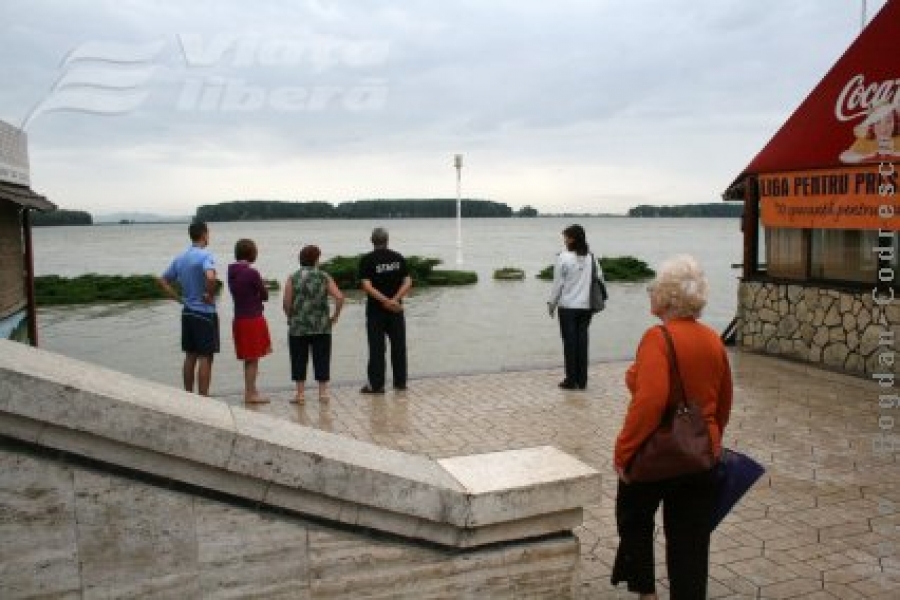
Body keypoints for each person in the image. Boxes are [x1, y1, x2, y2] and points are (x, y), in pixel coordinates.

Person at [610, 255, 733, 600]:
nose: (650, 294)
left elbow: (650, 403)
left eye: (654, 289)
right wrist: (712, 440)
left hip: (657, 454)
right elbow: (724, 400)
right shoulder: (712, 339)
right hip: (701, 456)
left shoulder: (657, 338)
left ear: (666, 298)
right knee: (691, 540)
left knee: (633, 517)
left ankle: (646, 592)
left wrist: (624, 451)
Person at [157, 221, 219, 396]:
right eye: (208, 234)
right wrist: (208, 293)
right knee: (205, 357)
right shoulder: (206, 256)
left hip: (187, 312)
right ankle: (204, 397)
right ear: (204, 234)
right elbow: (211, 276)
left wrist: (178, 299)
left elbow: (162, 281)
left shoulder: (181, 257)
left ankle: (188, 395)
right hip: (205, 313)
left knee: (190, 355)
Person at [283, 245, 344, 403]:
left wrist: (290, 317)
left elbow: (286, 302)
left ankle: (300, 394)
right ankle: (323, 393)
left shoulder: (293, 277)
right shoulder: (324, 276)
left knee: (298, 359)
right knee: (322, 358)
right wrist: (334, 316)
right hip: (322, 326)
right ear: (316, 259)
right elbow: (339, 297)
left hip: (298, 327)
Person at [358, 227, 412, 394]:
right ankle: (400, 382)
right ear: (387, 240)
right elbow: (408, 282)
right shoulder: (398, 257)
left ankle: (376, 385)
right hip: (396, 310)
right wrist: (394, 301)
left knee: (376, 348)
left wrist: (385, 301)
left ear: (372, 240)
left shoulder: (367, 260)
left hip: (376, 311)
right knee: (399, 346)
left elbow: (367, 286)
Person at [547, 224, 597, 390]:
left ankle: (571, 380)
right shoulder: (591, 257)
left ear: (573, 239)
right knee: (582, 343)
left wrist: (551, 304)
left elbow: (558, 284)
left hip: (568, 307)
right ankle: (582, 381)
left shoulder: (563, 257)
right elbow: (600, 279)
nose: (564, 240)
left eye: (566, 237)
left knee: (569, 343)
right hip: (586, 307)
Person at [227, 238, 272, 405]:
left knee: (248, 358)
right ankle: (250, 394)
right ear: (251, 253)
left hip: (239, 318)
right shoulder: (252, 272)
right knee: (253, 358)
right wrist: (264, 287)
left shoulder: (232, 271)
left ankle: (251, 390)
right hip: (252, 319)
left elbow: (244, 290)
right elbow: (264, 296)